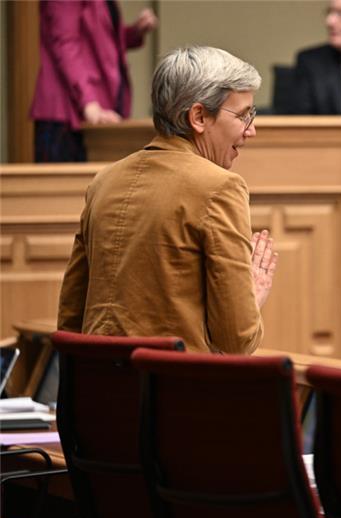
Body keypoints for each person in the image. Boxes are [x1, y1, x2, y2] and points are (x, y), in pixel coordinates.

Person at [57, 46, 277, 355]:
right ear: (199, 116)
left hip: (97, 391)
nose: (251, 131)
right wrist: (252, 297)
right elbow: (236, 340)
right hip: (176, 393)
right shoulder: (220, 188)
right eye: (243, 116)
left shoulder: (103, 182)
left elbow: (70, 319)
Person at [30, 0, 158, 162]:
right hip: (67, 114)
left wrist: (135, 32)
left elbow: (101, 41)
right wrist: (89, 103)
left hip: (96, 107)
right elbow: (65, 44)